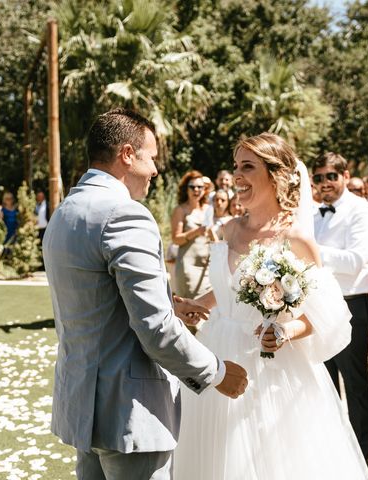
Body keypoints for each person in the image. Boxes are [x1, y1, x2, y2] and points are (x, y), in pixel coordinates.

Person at [42, 108, 248, 480]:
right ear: (126, 154)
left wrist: (169, 304)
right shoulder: (126, 214)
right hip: (129, 411)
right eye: (151, 157)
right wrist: (216, 372)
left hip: (82, 405)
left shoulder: (64, 213)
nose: (155, 170)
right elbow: (155, 329)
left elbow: (96, 297)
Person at [174, 133, 368, 480]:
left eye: (247, 167)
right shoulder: (229, 229)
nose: (236, 176)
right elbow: (230, 288)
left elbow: (323, 314)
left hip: (273, 370)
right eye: (235, 167)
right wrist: (197, 303)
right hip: (218, 354)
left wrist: (284, 330)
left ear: (275, 174)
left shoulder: (296, 238)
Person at [313, 152, 368, 459]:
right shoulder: (314, 215)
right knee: (322, 383)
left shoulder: (361, 211)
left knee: (354, 383)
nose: (325, 183)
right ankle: (333, 453)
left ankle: (362, 455)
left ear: (344, 175)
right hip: (317, 307)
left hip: (352, 306)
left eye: (331, 176)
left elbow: (356, 261)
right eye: (319, 177)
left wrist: (312, 252)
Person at [171, 171, 213, 298]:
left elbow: (212, 235)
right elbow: (176, 239)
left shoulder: (208, 208)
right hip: (188, 268)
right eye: (192, 186)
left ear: (205, 189)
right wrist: (196, 232)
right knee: (191, 309)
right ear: (186, 189)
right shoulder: (180, 210)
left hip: (207, 267)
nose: (196, 189)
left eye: (200, 187)